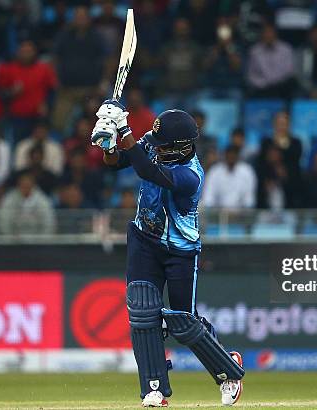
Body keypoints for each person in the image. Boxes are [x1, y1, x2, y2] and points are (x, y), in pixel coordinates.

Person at [90, 100, 245, 407]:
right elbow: (119, 161)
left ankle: (228, 371)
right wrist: (108, 144)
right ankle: (153, 389)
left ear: (181, 146)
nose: (153, 145)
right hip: (144, 241)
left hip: (180, 251)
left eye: (160, 144)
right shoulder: (153, 141)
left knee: (183, 322)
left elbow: (149, 172)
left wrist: (124, 128)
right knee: (142, 313)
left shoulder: (191, 175)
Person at [246, 23, 295, 98]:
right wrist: (263, 84)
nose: (268, 35)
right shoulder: (254, 51)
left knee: (290, 84)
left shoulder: (286, 49)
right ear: (262, 35)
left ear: (275, 34)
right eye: (266, 33)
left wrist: (275, 82)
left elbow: (289, 71)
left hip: (281, 86)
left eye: (270, 32)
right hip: (262, 87)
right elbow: (251, 74)